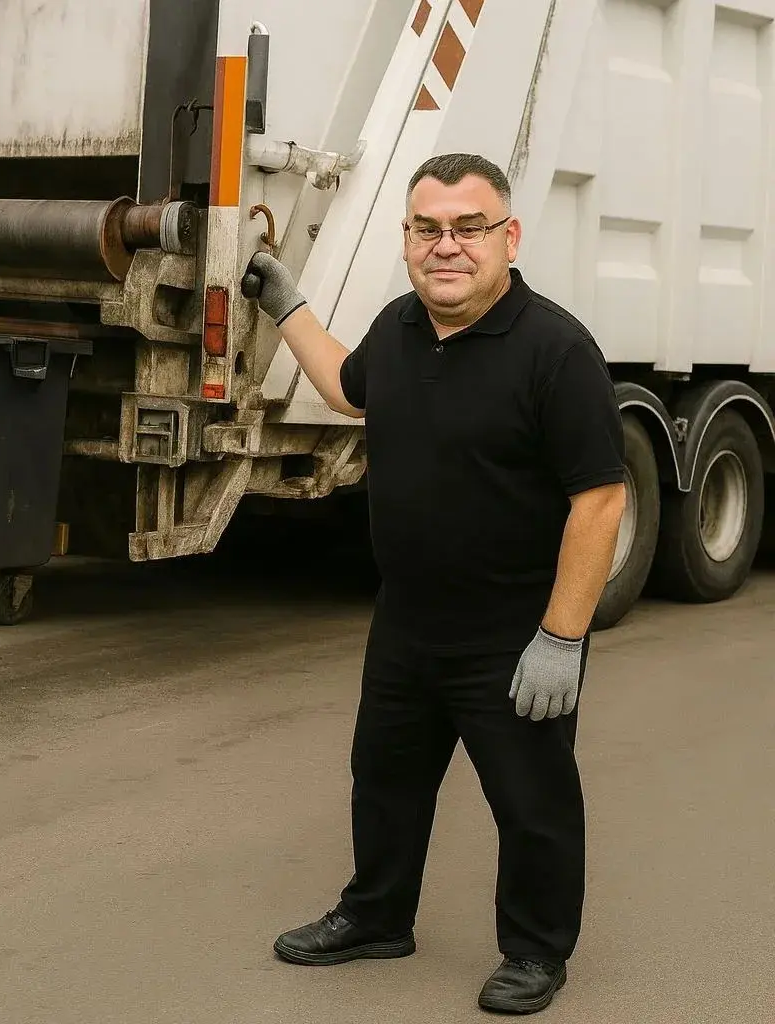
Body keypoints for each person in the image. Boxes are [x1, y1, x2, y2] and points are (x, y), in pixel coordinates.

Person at [242, 153, 627, 1015]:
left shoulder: (555, 349)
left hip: (515, 632)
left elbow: (599, 500)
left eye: (468, 228)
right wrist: (287, 303)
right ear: (408, 239)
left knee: (531, 802)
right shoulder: (402, 327)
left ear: (508, 237)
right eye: (427, 229)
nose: (446, 246)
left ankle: (534, 951)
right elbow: (348, 390)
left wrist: (562, 637)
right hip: (408, 621)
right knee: (384, 779)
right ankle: (377, 915)